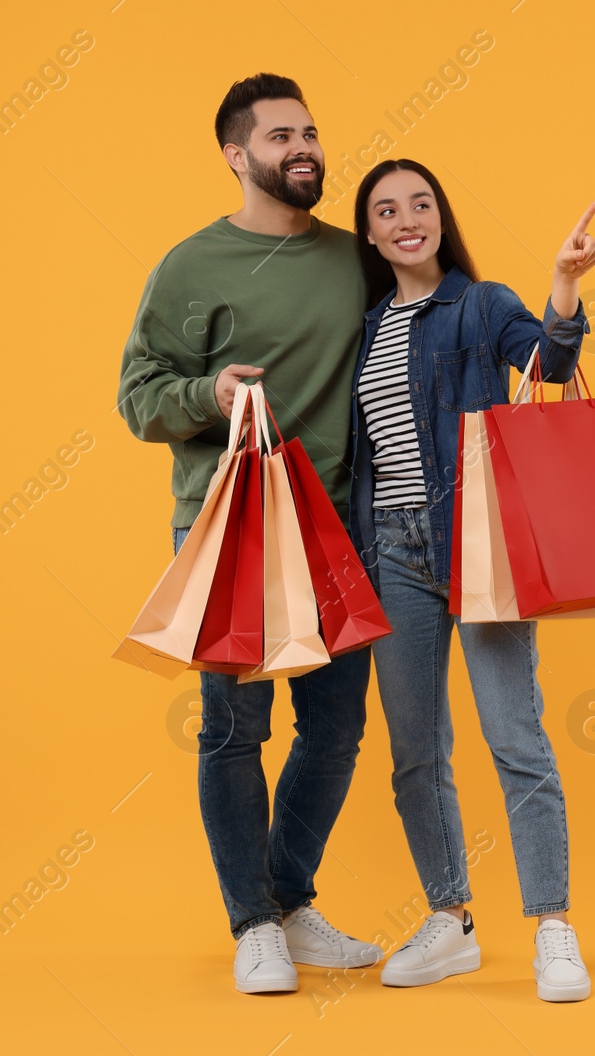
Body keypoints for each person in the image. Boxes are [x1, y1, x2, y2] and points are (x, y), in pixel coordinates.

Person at [116, 73, 382, 994]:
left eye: (310, 130)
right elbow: (136, 398)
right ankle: (253, 922)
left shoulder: (357, 259)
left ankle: (287, 898)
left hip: (340, 529)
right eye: (280, 137)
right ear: (237, 155)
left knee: (338, 729)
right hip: (231, 527)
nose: (303, 146)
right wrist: (210, 394)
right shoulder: (192, 268)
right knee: (234, 731)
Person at [347, 158, 595, 1000]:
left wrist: (561, 285)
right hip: (392, 553)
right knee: (416, 752)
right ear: (372, 232)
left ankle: (553, 927)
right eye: (387, 210)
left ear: (440, 216)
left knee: (514, 736)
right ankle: (450, 919)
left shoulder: (482, 304)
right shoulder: (369, 324)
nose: (406, 218)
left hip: (475, 543)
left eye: (421, 203)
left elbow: (549, 370)